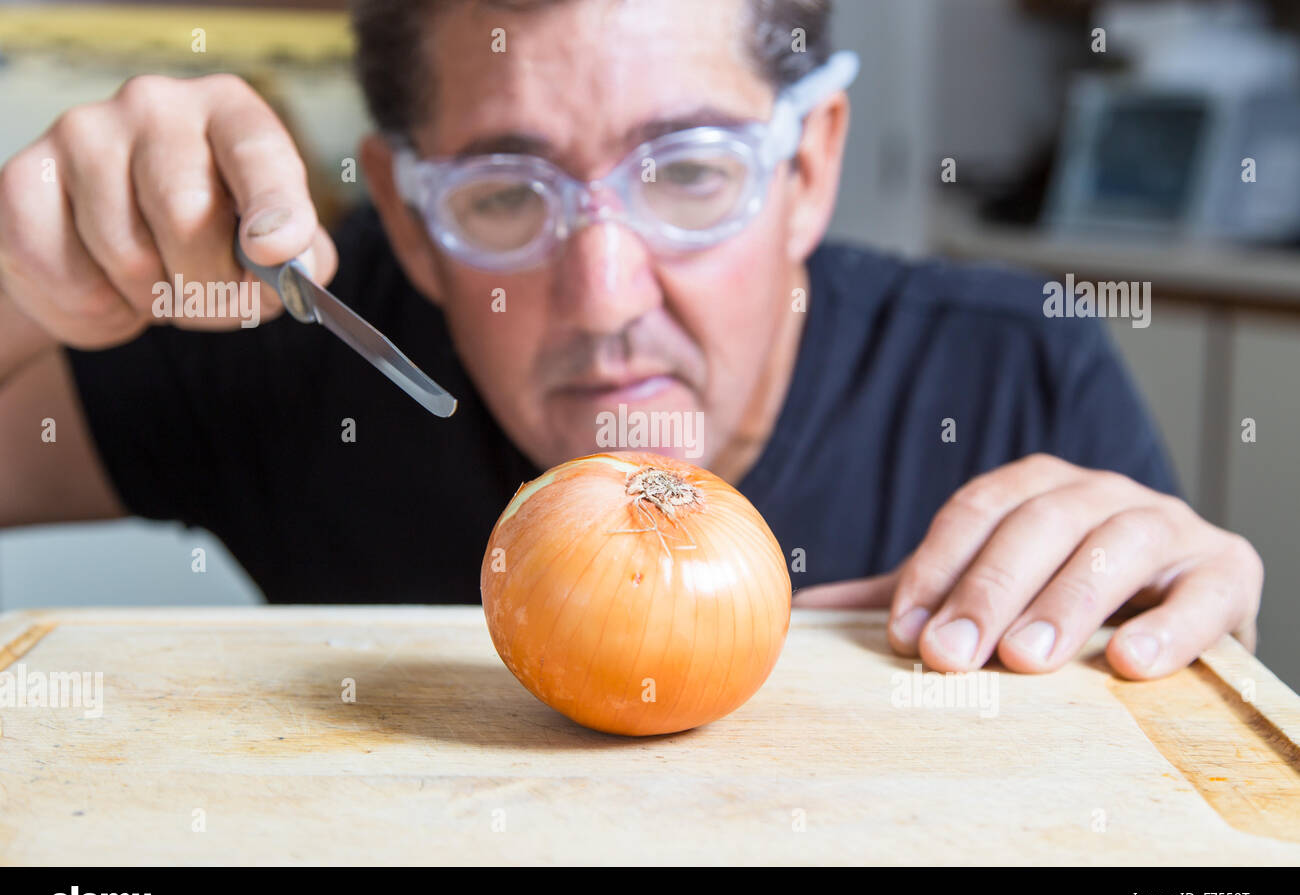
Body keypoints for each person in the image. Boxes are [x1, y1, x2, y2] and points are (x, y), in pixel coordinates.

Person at [0, 0, 1262, 681]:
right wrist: (22, 275)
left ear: (810, 166)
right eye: (503, 192)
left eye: (691, 174)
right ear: (406, 218)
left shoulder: (1008, 372)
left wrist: (1177, 644)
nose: (602, 295)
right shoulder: (301, 345)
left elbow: (1162, 752)